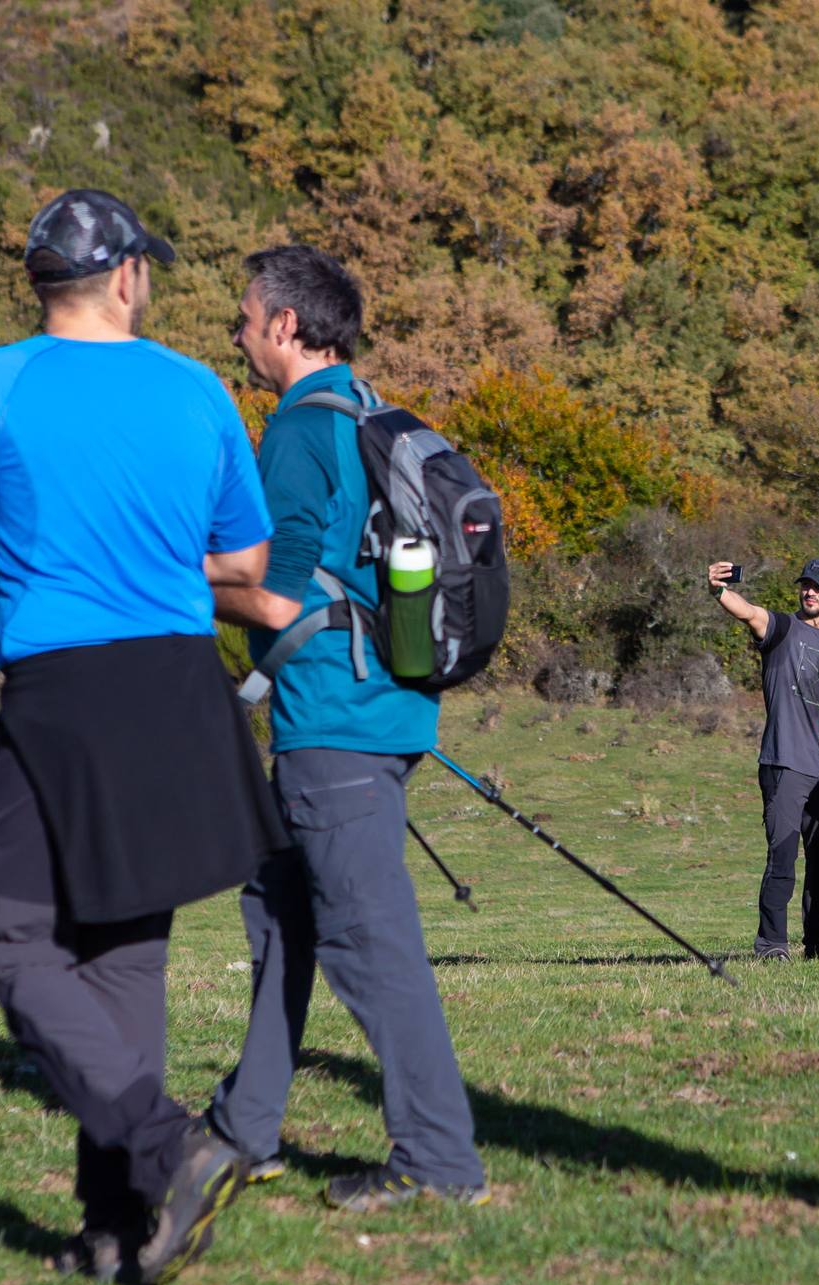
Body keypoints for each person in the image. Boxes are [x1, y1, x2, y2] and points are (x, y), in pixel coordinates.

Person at [0, 189, 283, 1285]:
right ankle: (120, 1229)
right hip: (177, 685)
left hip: (66, 689)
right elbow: (246, 567)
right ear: (127, 277)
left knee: (3, 927)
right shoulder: (196, 388)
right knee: (123, 955)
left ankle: (171, 1150)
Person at [204, 245, 491, 1214]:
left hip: (335, 720)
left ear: (286, 326)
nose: (238, 332)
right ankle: (248, 1124)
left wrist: (161, 568)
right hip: (379, 708)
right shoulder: (364, 411)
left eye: (245, 317)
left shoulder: (295, 430)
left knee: (371, 943)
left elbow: (277, 598)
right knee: (281, 909)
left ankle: (440, 1159)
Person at [706, 557, 819, 959]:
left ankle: (817, 945)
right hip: (784, 763)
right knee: (782, 858)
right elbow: (747, 612)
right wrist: (718, 590)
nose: (810, 592)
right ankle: (771, 944)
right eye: (806, 584)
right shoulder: (782, 628)